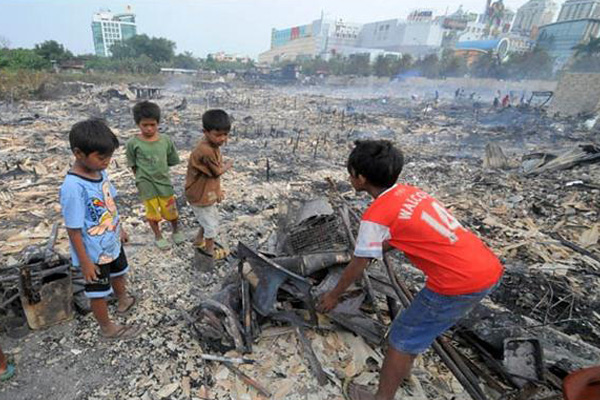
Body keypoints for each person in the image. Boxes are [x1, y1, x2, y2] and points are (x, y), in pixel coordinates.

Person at [318, 140, 503, 400]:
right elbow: (407, 230)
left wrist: (333, 295)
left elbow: (358, 265)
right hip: (486, 266)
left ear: (360, 178)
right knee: (417, 328)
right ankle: (402, 373)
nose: (349, 178)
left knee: (399, 340)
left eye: (350, 173)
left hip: (457, 283)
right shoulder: (409, 192)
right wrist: (376, 249)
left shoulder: (375, 215)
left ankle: (382, 396)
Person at [60, 119, 141, 340]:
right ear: (78, 153)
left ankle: (123, 299)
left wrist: (120, 229)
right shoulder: (73, 187)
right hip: (94, 254)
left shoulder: (99, 172)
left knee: (119, 271)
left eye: (109, 157)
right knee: (97, 293)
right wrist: (85, 262)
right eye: (101, 157)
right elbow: (73, 229)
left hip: (111, 241)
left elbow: (110, 204)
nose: (106, 162)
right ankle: (107, 327)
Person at [126, 101, 182, 250]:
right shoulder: (133, 143)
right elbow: (133, 164)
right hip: (145, 183)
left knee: (171, 210)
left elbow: (170, 160)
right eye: (145, 125)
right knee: (152, 213)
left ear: (158, 123)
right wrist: (140, 179)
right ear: (138, 124)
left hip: (163, 181)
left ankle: (176, 230)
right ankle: (158, 235)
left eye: (152, 124)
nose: (149, 128)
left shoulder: (165, 140)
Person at [185, 109, 233, 260]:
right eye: (218, 135)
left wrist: (217, 192)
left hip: (204, 191)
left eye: (225, 135)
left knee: (206, 219)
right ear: (205, 132)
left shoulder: (211, 146)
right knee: (211, 225)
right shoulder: (206, 151)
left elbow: (212, 178)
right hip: (199, 194)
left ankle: (199, 241)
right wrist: (228, 165)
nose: (222, 139)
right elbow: (216, 172)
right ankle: (209, 253)